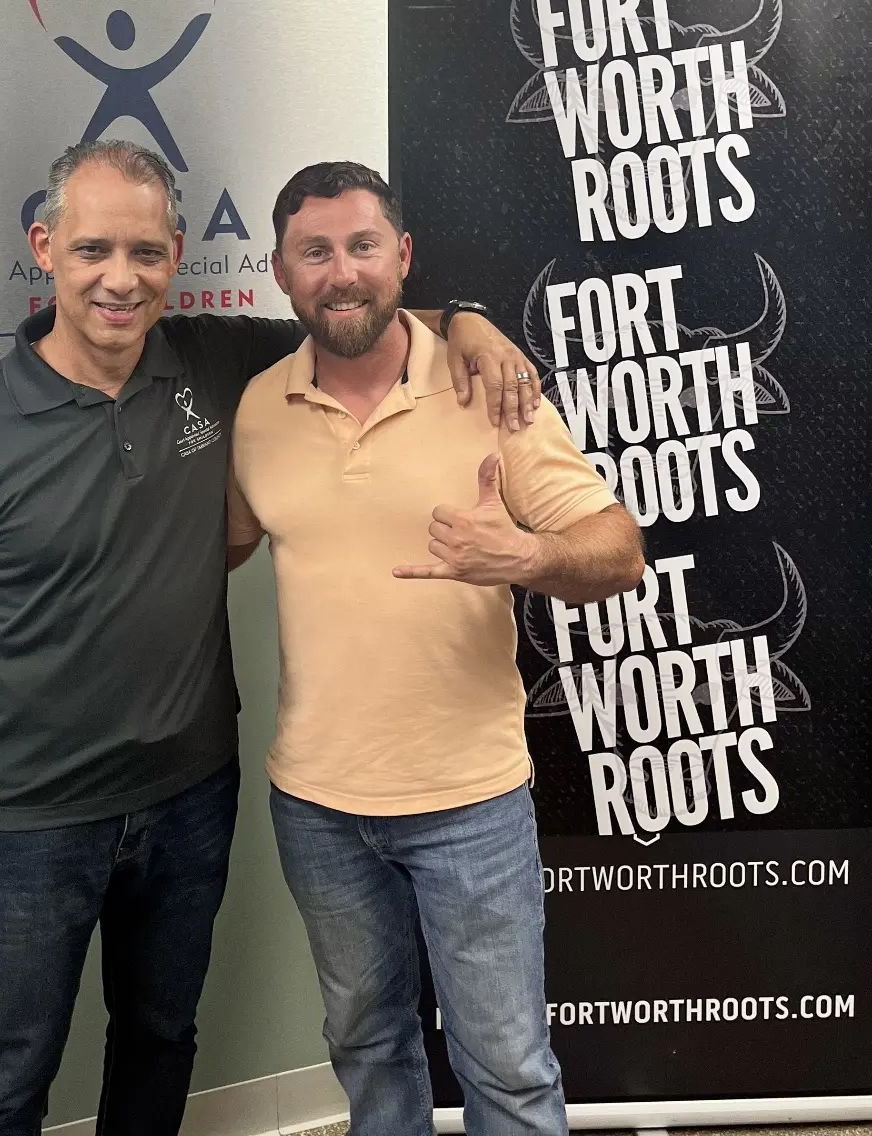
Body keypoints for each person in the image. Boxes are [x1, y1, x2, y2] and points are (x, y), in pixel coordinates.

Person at [0, 138, 542, 1136]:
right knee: (5, 1076)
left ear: (176, 257)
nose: (120, 278)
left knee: (160, 1040)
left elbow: (354, 314)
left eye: (145, 253)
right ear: (45, 248)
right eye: (93, 249)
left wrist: (473, 321)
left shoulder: (216, 362)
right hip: (27, 819)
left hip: (189, 798)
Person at [227, 161, 644, 1136]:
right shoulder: (255, 410)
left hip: (469, 803)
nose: (343, 272)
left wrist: (527, 555)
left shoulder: (485, 390)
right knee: (367, 1046)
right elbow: (224, 544)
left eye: (363, 246)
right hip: (318, 805)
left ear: (403, 256)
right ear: (280, 272)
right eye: (315, 252)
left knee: (507, 1068)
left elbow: (619, 551)